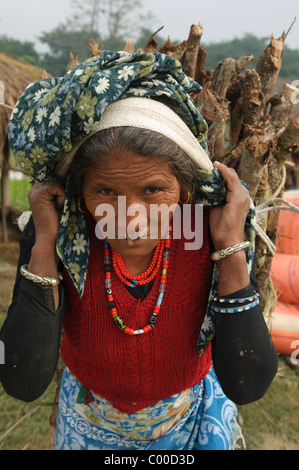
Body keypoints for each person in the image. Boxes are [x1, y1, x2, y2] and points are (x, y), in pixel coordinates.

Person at [0, 51, 278, 450]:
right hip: (88, 423)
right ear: (79, 193)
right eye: (105, 191)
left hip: (189, 419)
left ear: (184, 191)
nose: (130, 217)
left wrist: (231, 248)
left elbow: (248, 383)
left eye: (152, 191)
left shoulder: (206, 233)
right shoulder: (66, 236)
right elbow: (20, 380)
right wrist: (43, 246)